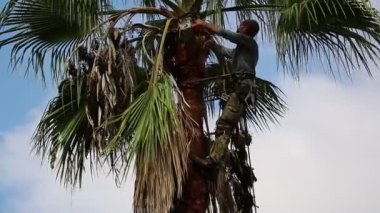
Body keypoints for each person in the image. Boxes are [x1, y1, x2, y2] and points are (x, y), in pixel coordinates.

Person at [192, 19, 259, 165]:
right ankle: (215, 156)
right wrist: (214, 45)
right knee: (223, 110)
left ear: (248, 29)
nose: (239, 26)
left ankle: (213, 161)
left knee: (225, 124)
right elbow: (225, 52)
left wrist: (203, 24)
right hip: (237, 88)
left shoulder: (249, 42)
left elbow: (226, 34)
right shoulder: (240, 50)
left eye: (242, 25)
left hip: (243, 88)